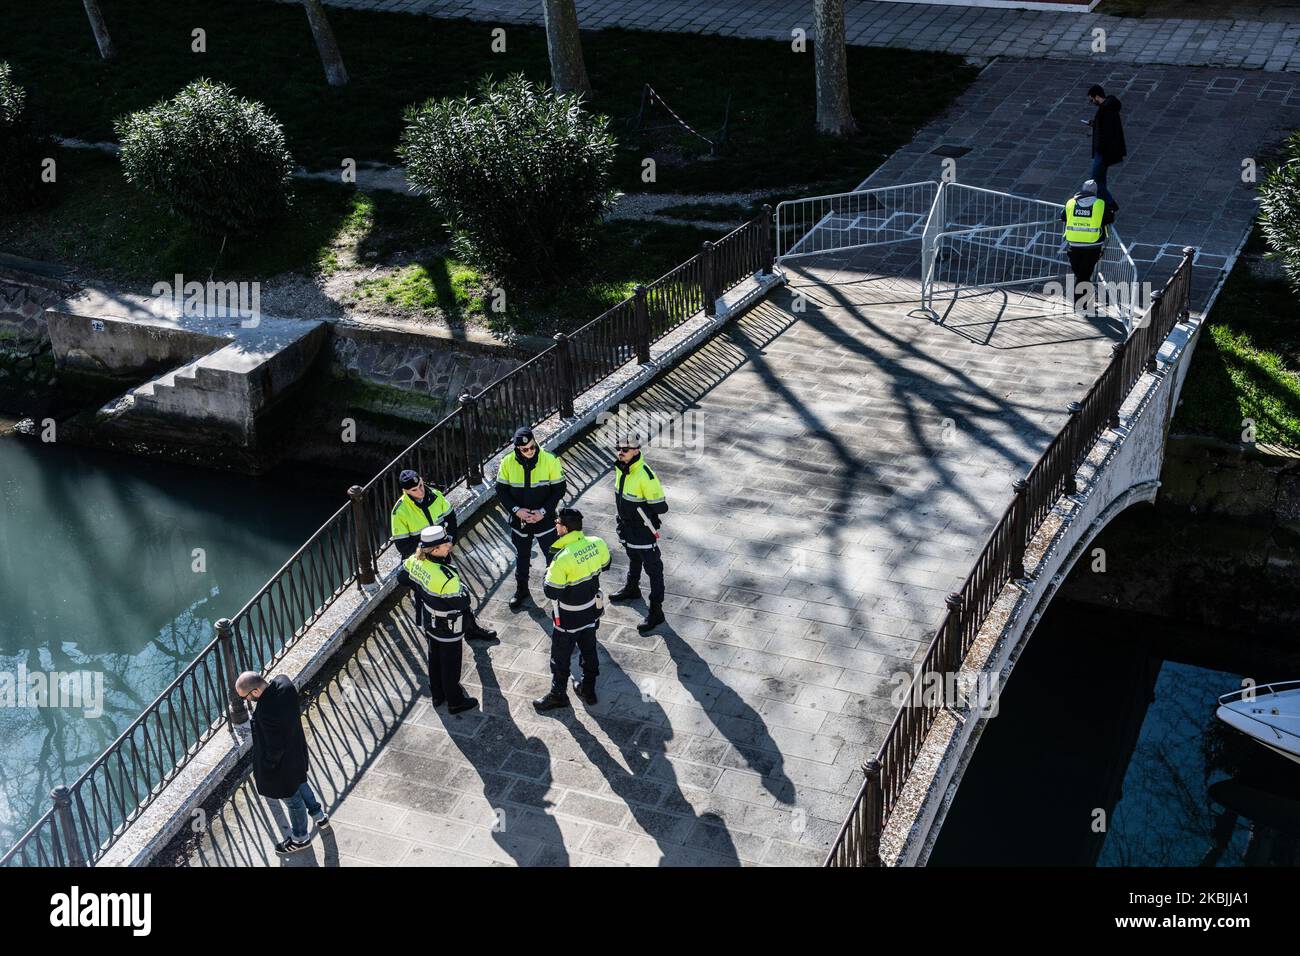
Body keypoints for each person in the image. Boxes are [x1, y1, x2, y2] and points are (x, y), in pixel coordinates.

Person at [236, 671, 329, 856]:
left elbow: (274, 748)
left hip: (283, 766)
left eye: (245, 697)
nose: (246, 701)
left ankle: (300, 837)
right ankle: (319, 815)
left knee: (293, 800)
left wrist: (268, 767)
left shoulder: (265, 714)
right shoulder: (284, 683)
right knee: (301, 782)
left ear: (254, 692)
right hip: (297, 752)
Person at [397, 525, 486, 714]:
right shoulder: (447, 577)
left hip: (429, 619)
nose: (450, 545)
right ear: (435, 550)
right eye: (446, 544)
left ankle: (438, 694)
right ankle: (455, 701)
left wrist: (420, 588)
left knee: (434, 657)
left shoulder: (414, 560)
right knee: (451, 663)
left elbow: (402, 578)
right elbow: (463, 602)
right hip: (449, 626)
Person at [534, 508, 611, 712]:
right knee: (589, 650)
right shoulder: (598, 542)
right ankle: (588, 689)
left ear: (565, 528)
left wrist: (547, 575)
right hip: (592, 611)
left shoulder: (562, 558)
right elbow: (606, 564)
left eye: (557, 523)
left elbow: (551, 592)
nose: (555, 526)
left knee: (560, 657)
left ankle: (558, 694)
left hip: (568, 617)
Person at [495, 426, 567, 609]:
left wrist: (542, 512)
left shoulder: (550, 460)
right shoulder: (507, 462)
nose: (530, 451)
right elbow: (501, 491)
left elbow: (559, 489)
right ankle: (522, 590)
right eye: (525, 449)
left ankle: (557, 588)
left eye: (532, 447)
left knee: (552, 555)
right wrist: (516, 510)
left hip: (545, 519)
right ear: (517, 449)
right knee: (522, 556)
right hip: (520, 520)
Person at [607, 437, 669, 634]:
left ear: (636, 450)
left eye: (626, 448)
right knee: (633, 557)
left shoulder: (645, 475)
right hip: (625, 526)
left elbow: (661, 506)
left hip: (642, 529)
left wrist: (642, 512)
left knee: (654, 570)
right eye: (619, 448)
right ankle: (632, 588)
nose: (621, 451)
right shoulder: (621, 467)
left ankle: (656, 611)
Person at [1060, 179, 1115, 313]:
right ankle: (1083, 300)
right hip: (1093, 245)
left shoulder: (1071, 203)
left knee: (1081, 273)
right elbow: (1109, 219)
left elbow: (1062, 217)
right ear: (1095, 192)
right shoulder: (1100, 204)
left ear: (1082, 189)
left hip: (1074, 244)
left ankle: (1081, 303)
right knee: (1083, 274)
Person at [1085, 84, 1126, 210]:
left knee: (1094, 182)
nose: (1092, 102)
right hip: (1105, 152)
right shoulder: (1108, 107)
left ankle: (1110, 204)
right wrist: (1095, 124)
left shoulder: (1105, 110)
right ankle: (1105, 204)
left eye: (1092, 99)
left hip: (1103, 152)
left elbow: (1107, 132)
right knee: (1100, 181)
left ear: (1097, 96)